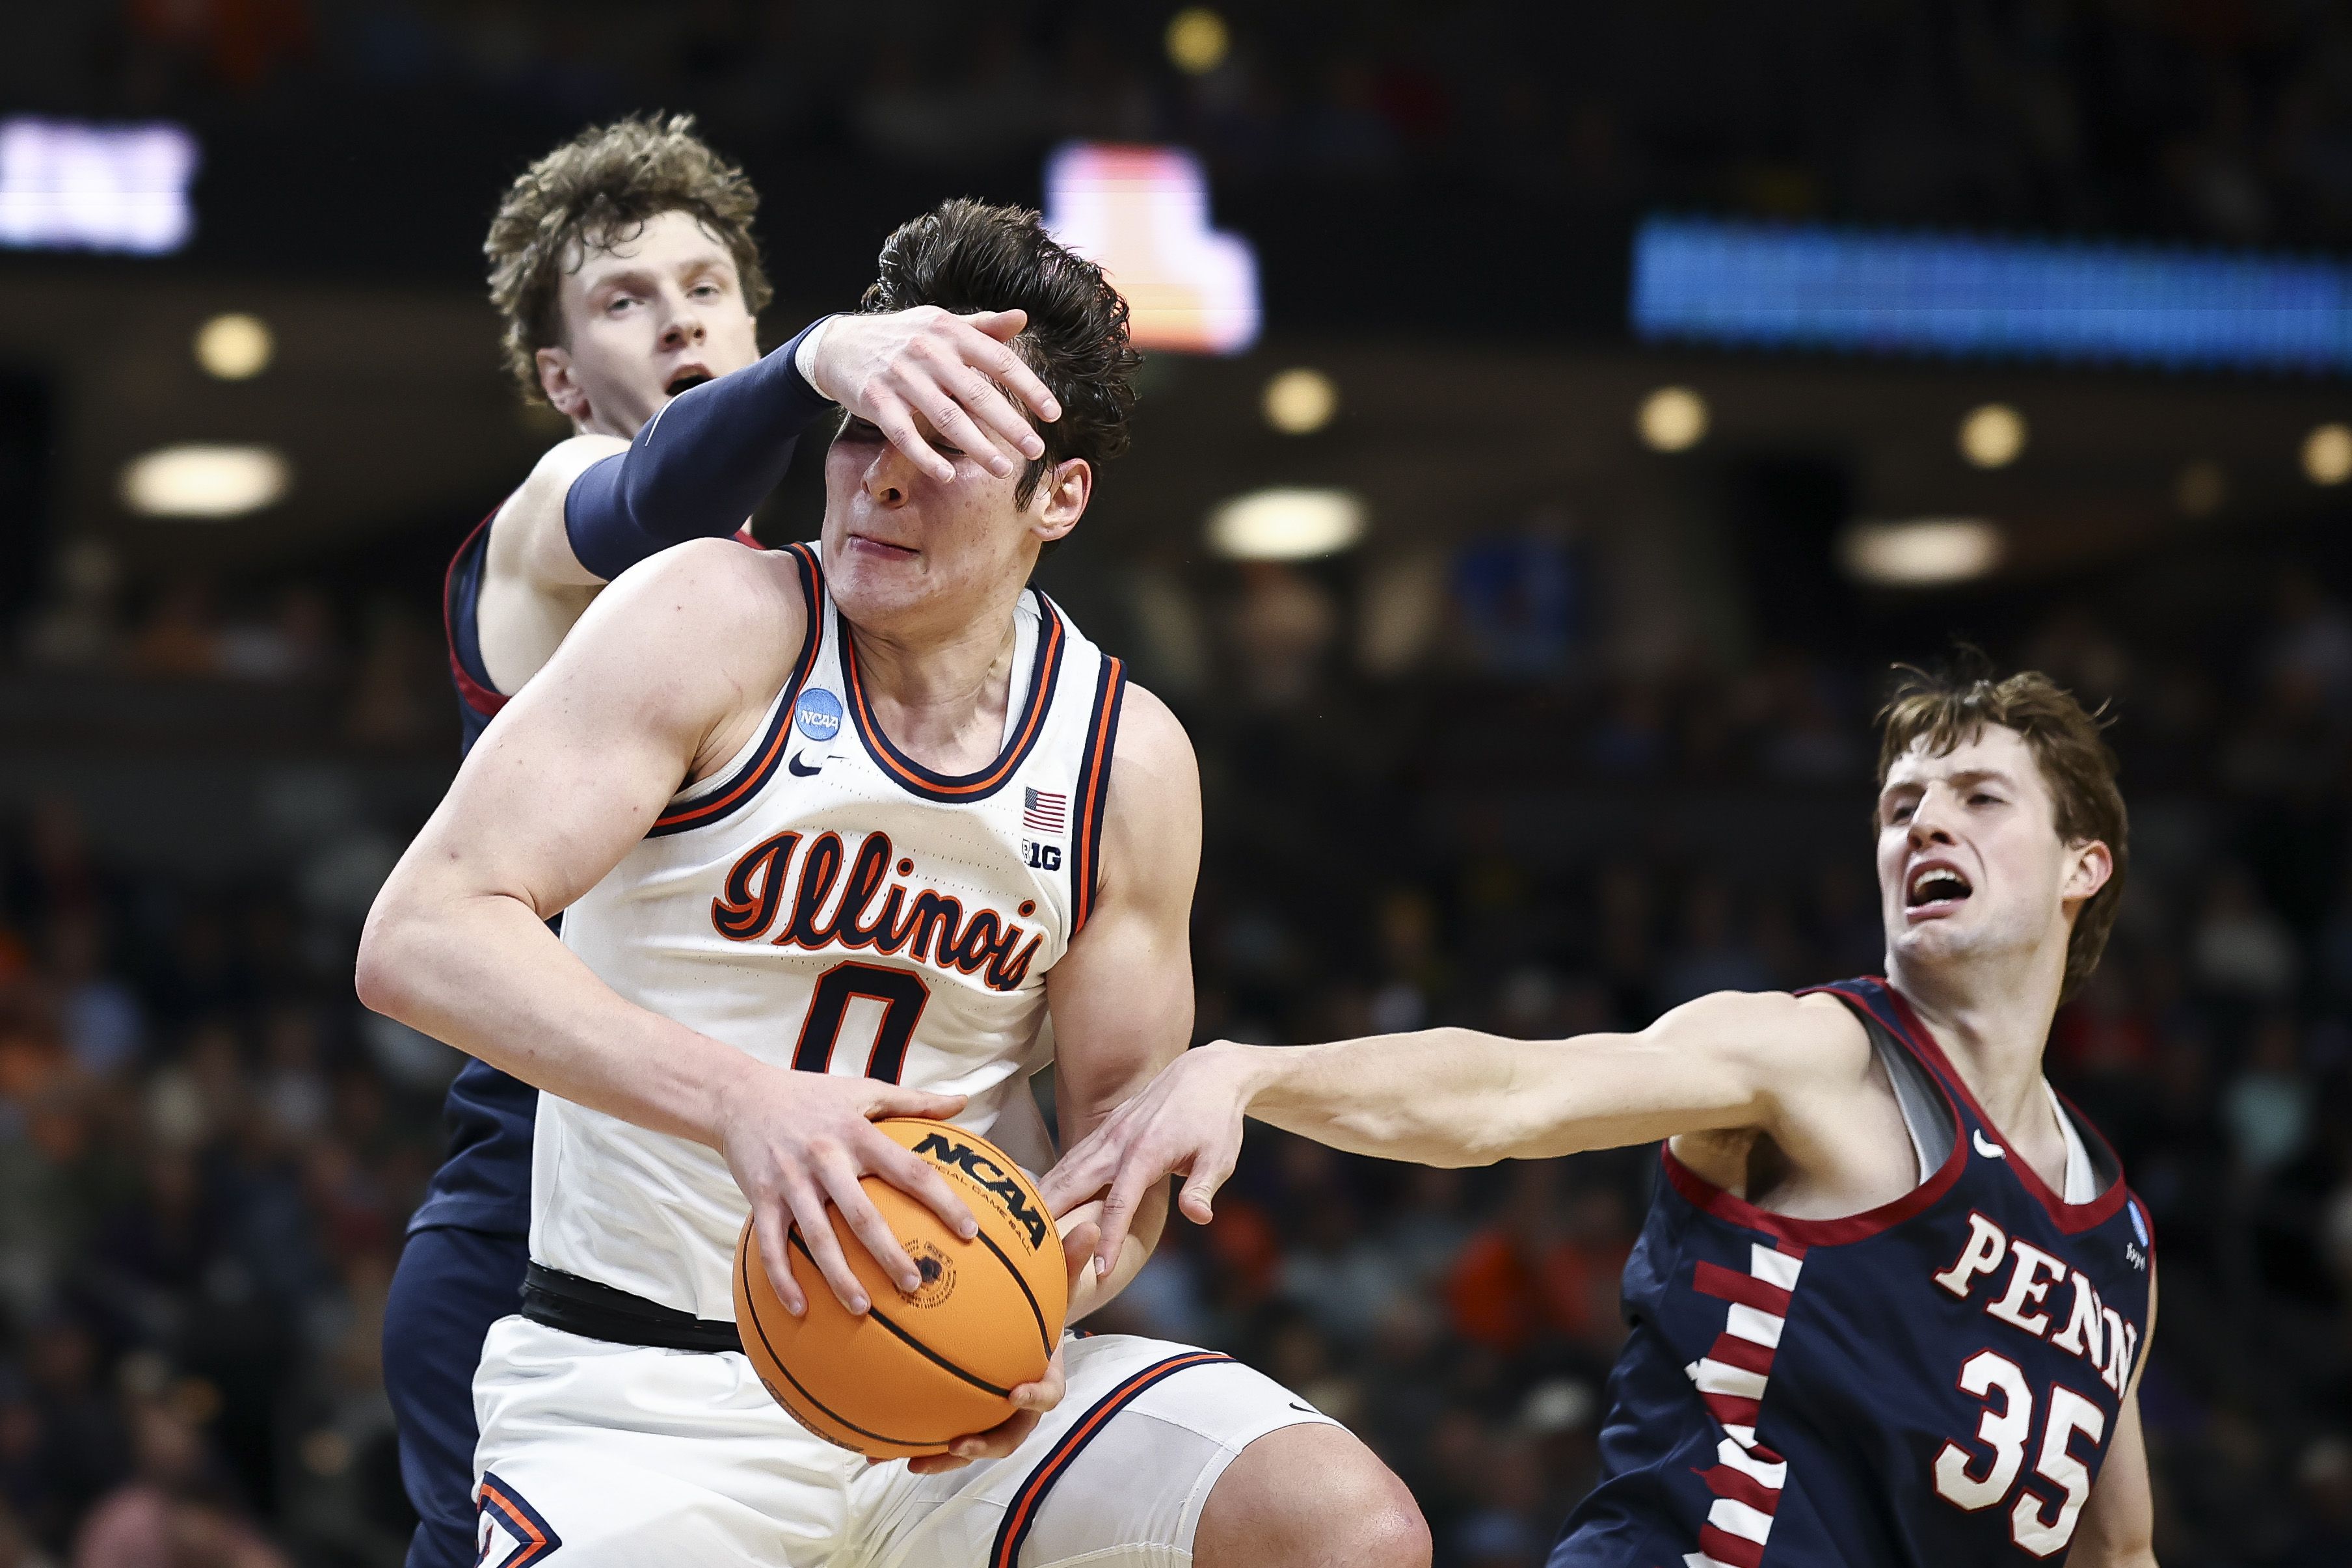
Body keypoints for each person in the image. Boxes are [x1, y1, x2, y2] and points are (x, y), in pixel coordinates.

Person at [358, 198, 1428, 1568]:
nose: (883, 478)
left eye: (949, 446)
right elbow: (420, 935)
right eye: (866, 430)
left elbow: (1114, 1156)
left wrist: (1028, 1304)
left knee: (1343, 1529)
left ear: (1059, 493)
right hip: (648, 1394)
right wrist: (746, 1103)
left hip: (947, 1401)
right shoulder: (704, 617)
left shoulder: (1126, 757)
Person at [383, 114, 1076, 1568]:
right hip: (544, 1229)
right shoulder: (554, 515)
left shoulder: (825, 603)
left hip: (759, 1235)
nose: (675, 316)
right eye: (622, 301)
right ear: (564, 377)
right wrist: (813, 359)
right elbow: (655, 499)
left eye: (703, 286)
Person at [1045, 666, 2160, 1568]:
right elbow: (1512, 1095)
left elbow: (2118, 1551)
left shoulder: (2120, 1242)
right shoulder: (1821, 1056)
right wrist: (1254, 1073)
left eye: (1978, 797)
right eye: (1900, 807)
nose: (1924, 827)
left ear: (2084, 865)